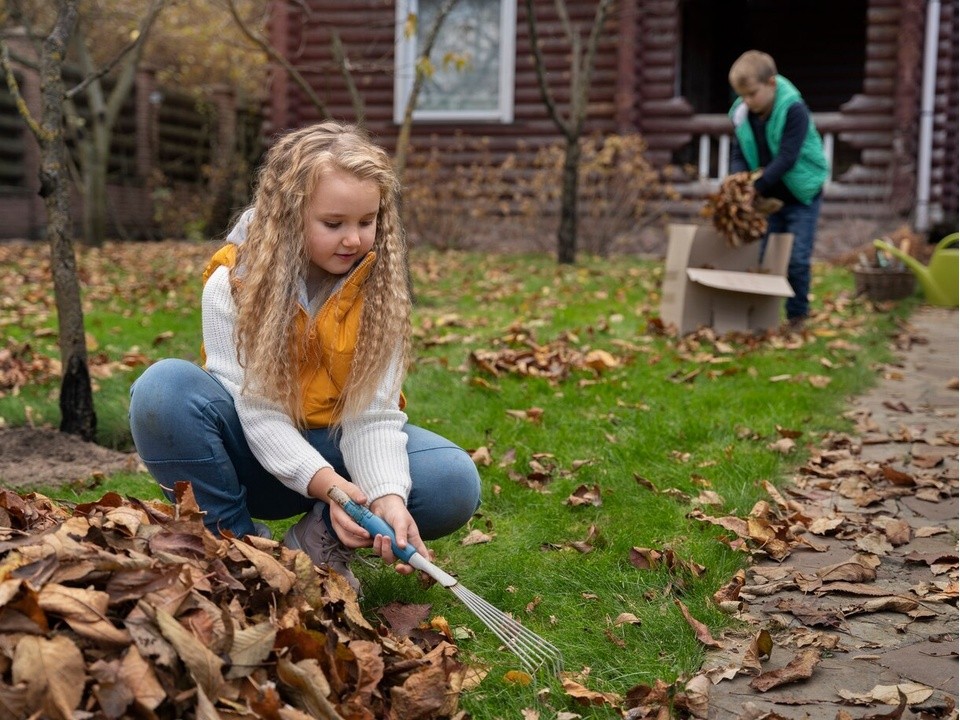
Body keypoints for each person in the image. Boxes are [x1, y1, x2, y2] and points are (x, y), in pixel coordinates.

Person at [129, 121, 481, 592]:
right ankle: (236, 547)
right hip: (246, 455)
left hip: (333, 448)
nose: (353, 240)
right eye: (333, 224)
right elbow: (257, 412)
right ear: (289, 216)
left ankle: (314, 547)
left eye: (366, 221)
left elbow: (371, 416)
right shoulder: (233, 286)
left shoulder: (381, 296)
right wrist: (328, 486)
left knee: (450, 480)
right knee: (163, 389)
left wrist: (386, 497)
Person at [727, 50, 829, 330]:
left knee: (796, 258)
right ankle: (764, 316)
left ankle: (797, 315)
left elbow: (787, 157)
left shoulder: (793, 109)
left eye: (752, 94)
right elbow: (739, 152)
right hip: (768, 196)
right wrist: (740, 179)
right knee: (765, 255)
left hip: (800, 194)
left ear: (771, 83)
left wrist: (756, 185)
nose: (747, 101)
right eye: (742, 95)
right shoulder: (742, 113)